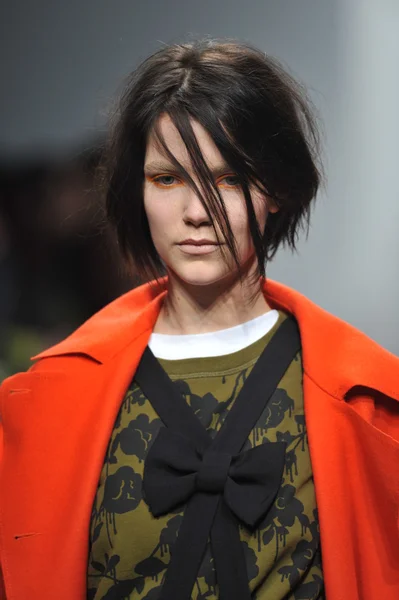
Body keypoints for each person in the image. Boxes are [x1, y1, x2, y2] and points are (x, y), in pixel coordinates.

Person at [0, 39, 398, 600]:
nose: (195, 211)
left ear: (278, 189)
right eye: (167, 179)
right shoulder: (41, 405)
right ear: (135, 192)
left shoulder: (370, 403)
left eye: (229, 177)